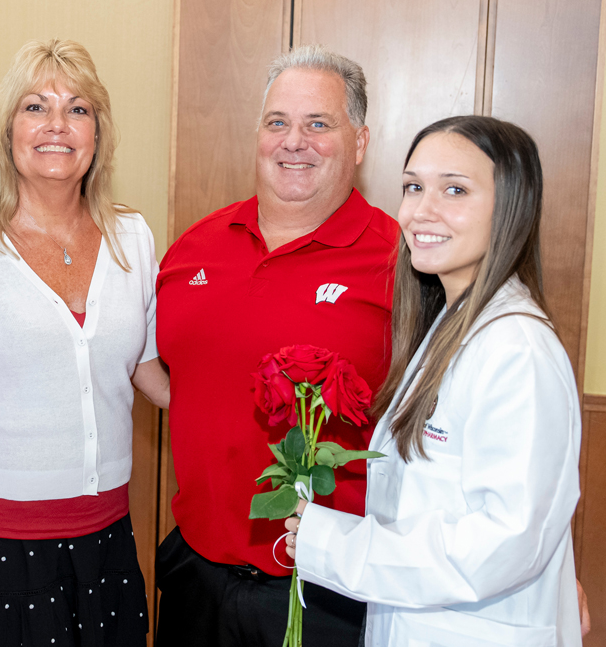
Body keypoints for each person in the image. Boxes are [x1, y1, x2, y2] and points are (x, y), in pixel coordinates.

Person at [284, 115, 583, 646]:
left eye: (455, 190)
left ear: (511, 207)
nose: (422, 210)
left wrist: (332, 543)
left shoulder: (517, 350)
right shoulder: (448, 327)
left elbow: (505, 542)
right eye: (413, 187)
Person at [0, 39, 169, 647]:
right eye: (35, 106)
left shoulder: (131, 237)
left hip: (107, 534)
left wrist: (258, 420)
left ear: (98, 133)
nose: (57, 125)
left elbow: (151, 371)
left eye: (78, 109)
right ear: (6, 132)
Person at [154, 45, 398, 646]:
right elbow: (158, 373)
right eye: (277, 123)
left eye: (319, 124)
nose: (295, 141)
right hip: (196, 577)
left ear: (360, 143)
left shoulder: (403, 263)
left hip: (328, 593)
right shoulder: (193, 249)